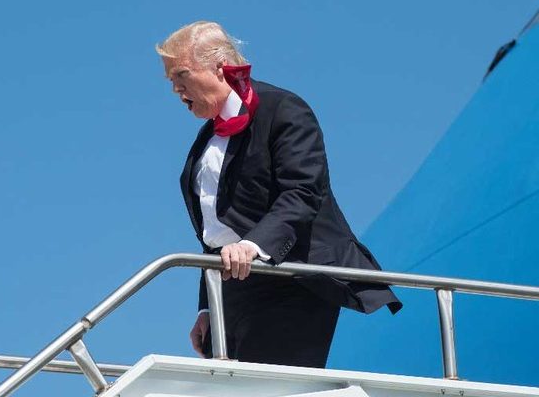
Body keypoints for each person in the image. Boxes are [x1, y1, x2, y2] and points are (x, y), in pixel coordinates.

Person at [156, 21, 402, 368]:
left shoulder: (283, 109)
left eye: (181, 75)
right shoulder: (204, 140)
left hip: (291, 279)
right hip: (232, 287)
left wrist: (254, 246)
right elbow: (214, 231)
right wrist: (207, 306)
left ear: (220, 66)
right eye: (170, 82)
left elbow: (303, 192)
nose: (176, 89)